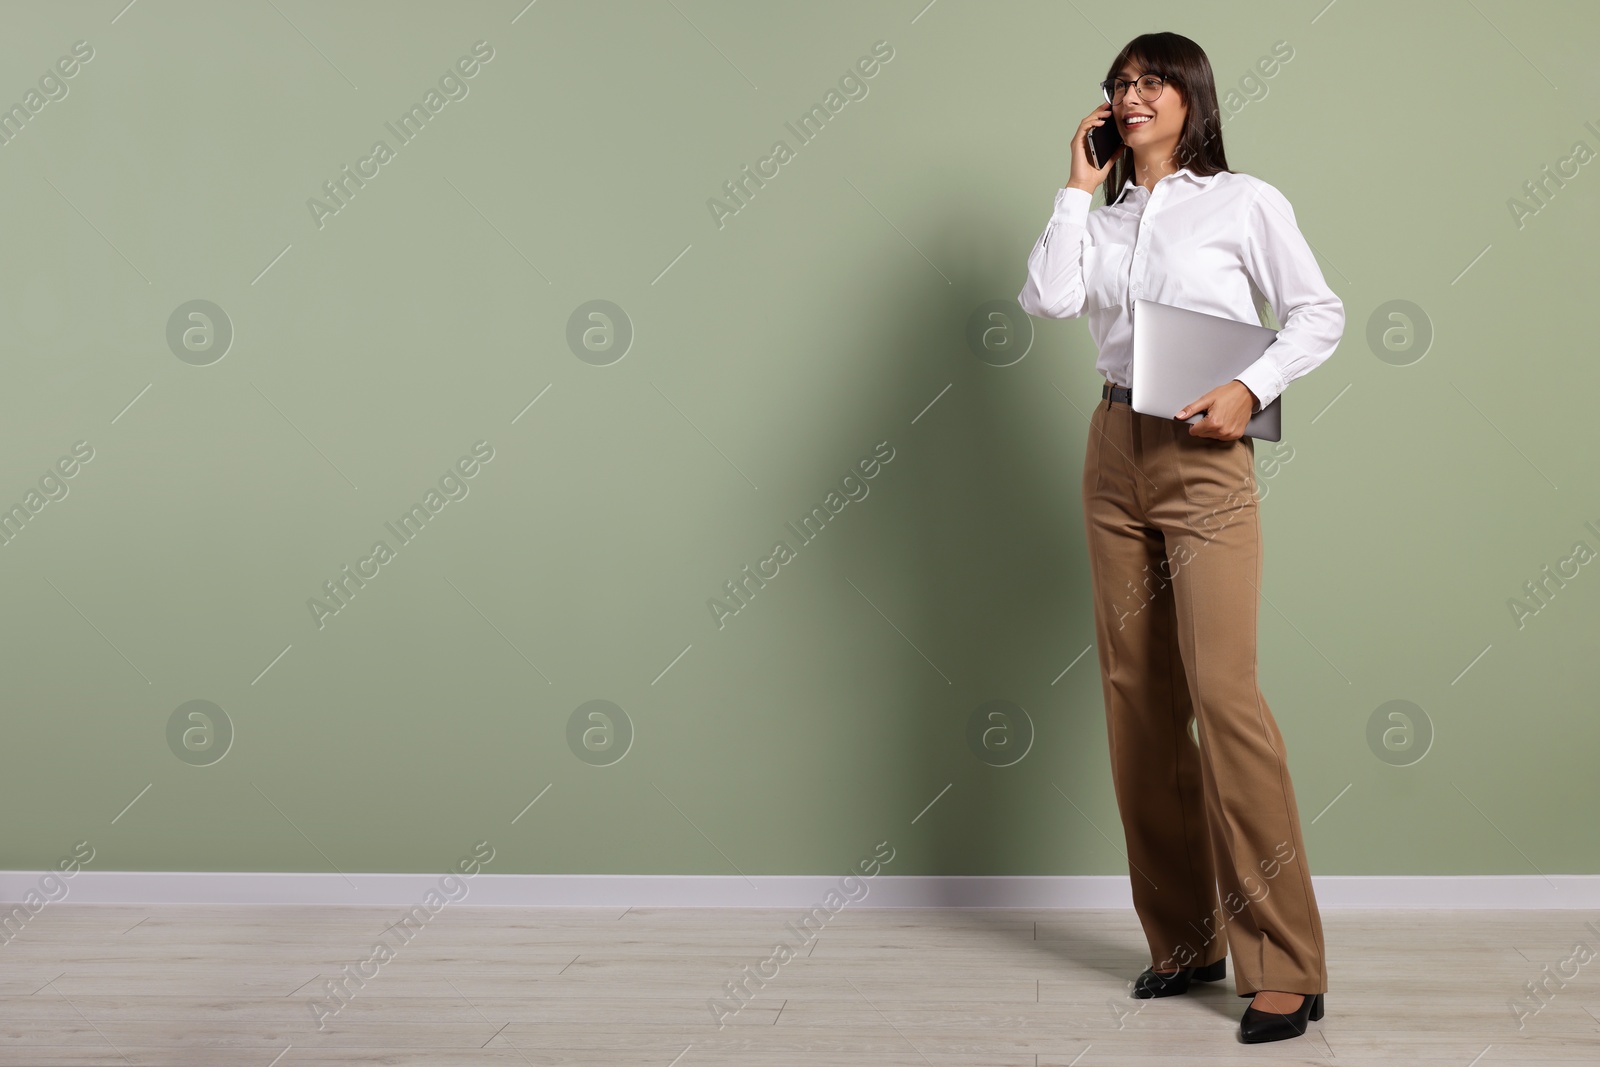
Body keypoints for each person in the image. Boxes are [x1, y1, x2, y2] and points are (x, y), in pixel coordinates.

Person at [1016, 32, 1344, 1045]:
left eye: (1150, 81)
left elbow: (1316, 311)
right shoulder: (1102, 216)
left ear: (1189, 96)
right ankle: (1183, 939)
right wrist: (1075, 187)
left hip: (1203, 453)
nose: (1131, 95)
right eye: (1118, 84)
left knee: (1222, 695)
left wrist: (1250, 387)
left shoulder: (1243, 201)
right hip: (1112, 444)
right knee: (1136, 698)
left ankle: (1283, 960)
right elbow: (1049, 299)